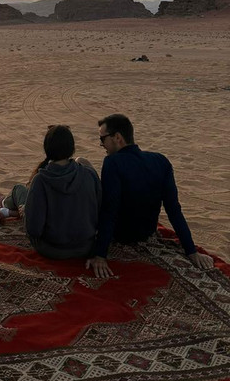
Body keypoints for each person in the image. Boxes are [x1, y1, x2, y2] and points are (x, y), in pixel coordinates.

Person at [87, 114, 214, 278]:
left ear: (117, 137)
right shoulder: (161, 161)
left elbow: (109, 209)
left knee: (83, 165)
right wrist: (191, 251)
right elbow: (173, 210)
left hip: (121, 233)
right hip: (147, 231)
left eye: (102, 139)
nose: (101, 144)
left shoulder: (113, 162)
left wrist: (100, 255)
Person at [0, 125, 101, 259]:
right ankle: (6, 208)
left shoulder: (40, 180)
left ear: (47, 149)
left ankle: (5, 205)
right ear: (72, 148)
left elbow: (33, 229)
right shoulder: (89, 174)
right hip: (86, 247)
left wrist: (27, 212)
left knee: (19, 190)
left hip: (51, 249)